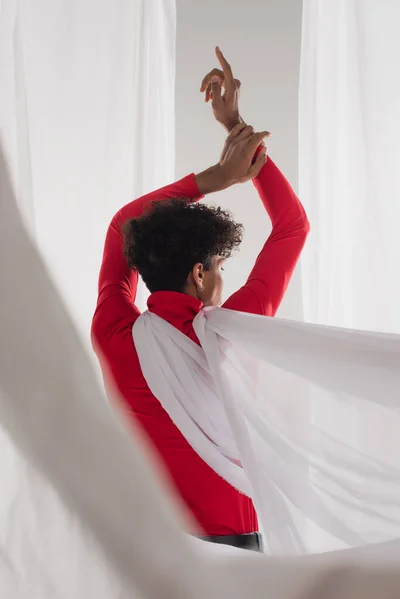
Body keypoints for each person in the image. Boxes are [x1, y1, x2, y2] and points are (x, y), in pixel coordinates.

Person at [91, 48, 310, 552]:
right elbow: (292, 227)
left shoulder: (114, 333)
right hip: (235, 546)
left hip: (152, 554)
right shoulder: (229, 332)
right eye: (219, 266)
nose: (222, 280)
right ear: (198, 272)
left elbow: (122, 225)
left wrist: (216, 177)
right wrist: (239, 134)